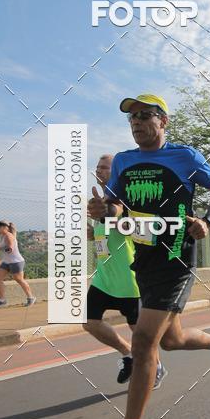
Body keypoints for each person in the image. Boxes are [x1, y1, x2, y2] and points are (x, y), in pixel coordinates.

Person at [78, 94, 210, 419]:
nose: (136, 122)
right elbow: (116, 206)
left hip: (177, 257)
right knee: (171, 339)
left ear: (163, 121)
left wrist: (208, 220)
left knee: (144, 339)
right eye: (131, 118)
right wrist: (103, 211)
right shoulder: (124, 161)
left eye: (144, 115)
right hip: (144, 260)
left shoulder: (185, 156)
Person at [85, 153, 166, 387]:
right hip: (104, 278)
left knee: (141, 334)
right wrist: (94, 234)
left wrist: (109, 215)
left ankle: (157, 367)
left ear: (116, 172)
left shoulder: (124, 200)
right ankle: (127, 353)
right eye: (98, 167)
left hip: (128, 280)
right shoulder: (99, 202)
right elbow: (107, 234)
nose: (99, 170)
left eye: (105, 167)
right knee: (89, 322)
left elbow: (121, 216)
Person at [0, 221, 35, 308]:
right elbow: (2, 248)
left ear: (5, 227)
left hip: (16, 261)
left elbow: (10, 249)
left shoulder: (8, 236)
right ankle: (2, 300)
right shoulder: (3, 236)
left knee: (19, 279)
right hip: (6, 262)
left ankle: (31, 298)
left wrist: (0, 248)